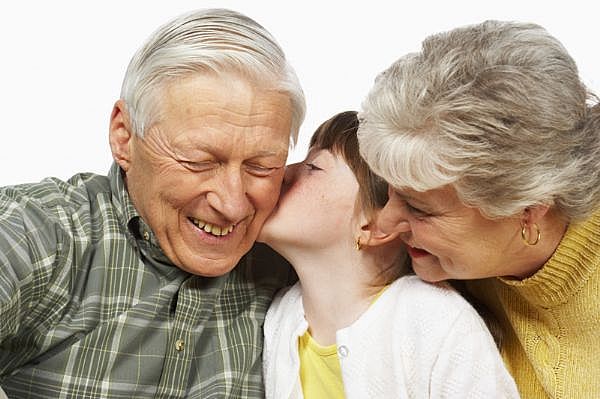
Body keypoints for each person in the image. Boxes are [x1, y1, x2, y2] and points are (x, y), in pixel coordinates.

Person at [0, 8, 305, 398]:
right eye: (199, 161)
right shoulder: (41, 232)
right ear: (124, 136)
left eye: (262, 166)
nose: (231, 204)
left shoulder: (295, 260)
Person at [357, 20, 600, 399]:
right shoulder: (455, 267)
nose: (386, 221)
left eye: (419, 209)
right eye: (390, 191)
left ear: (527, 210)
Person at [259, 111, 520, 398]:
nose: (283, 173)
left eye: (313, 166)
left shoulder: (433, 319)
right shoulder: (278, 319)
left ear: (374, 225)